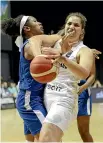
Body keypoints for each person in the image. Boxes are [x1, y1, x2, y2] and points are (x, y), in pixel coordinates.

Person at [28, 12, 96, 142]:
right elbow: (34, 40)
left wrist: (63, 60)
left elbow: (84, 73)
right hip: (46, 96)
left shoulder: (84, 50)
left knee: (46, 139)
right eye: (69, 23)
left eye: (76, 25)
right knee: (50, 139)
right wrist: (39, 57)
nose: (72, 26)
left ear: (82, 30)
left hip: (65, 99)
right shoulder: (55, 41)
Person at [1, 15, 61, 142]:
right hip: (30, 99)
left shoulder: (31, 43)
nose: (39, 22)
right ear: (27, 28)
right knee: (48, 138)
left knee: (32, 139)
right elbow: (53, 42)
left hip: (32, 97)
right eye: (35, 21)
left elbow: (55, 38)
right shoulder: (30, 45)